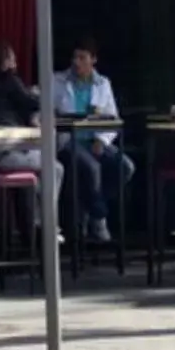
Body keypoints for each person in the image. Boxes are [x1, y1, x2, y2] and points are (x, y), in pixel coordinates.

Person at [51, 40, 133, 244]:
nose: (76, 62)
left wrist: (101, 140)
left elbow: (112, 118)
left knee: (126, 166)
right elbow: (43, 106)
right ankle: (99, 218)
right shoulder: (57, 81)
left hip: (93, 140)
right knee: (92, 168)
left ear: (93, 60)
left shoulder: (102, 84)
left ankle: (93, 204)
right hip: (69, 141)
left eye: (82, 58)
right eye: (74, 57)